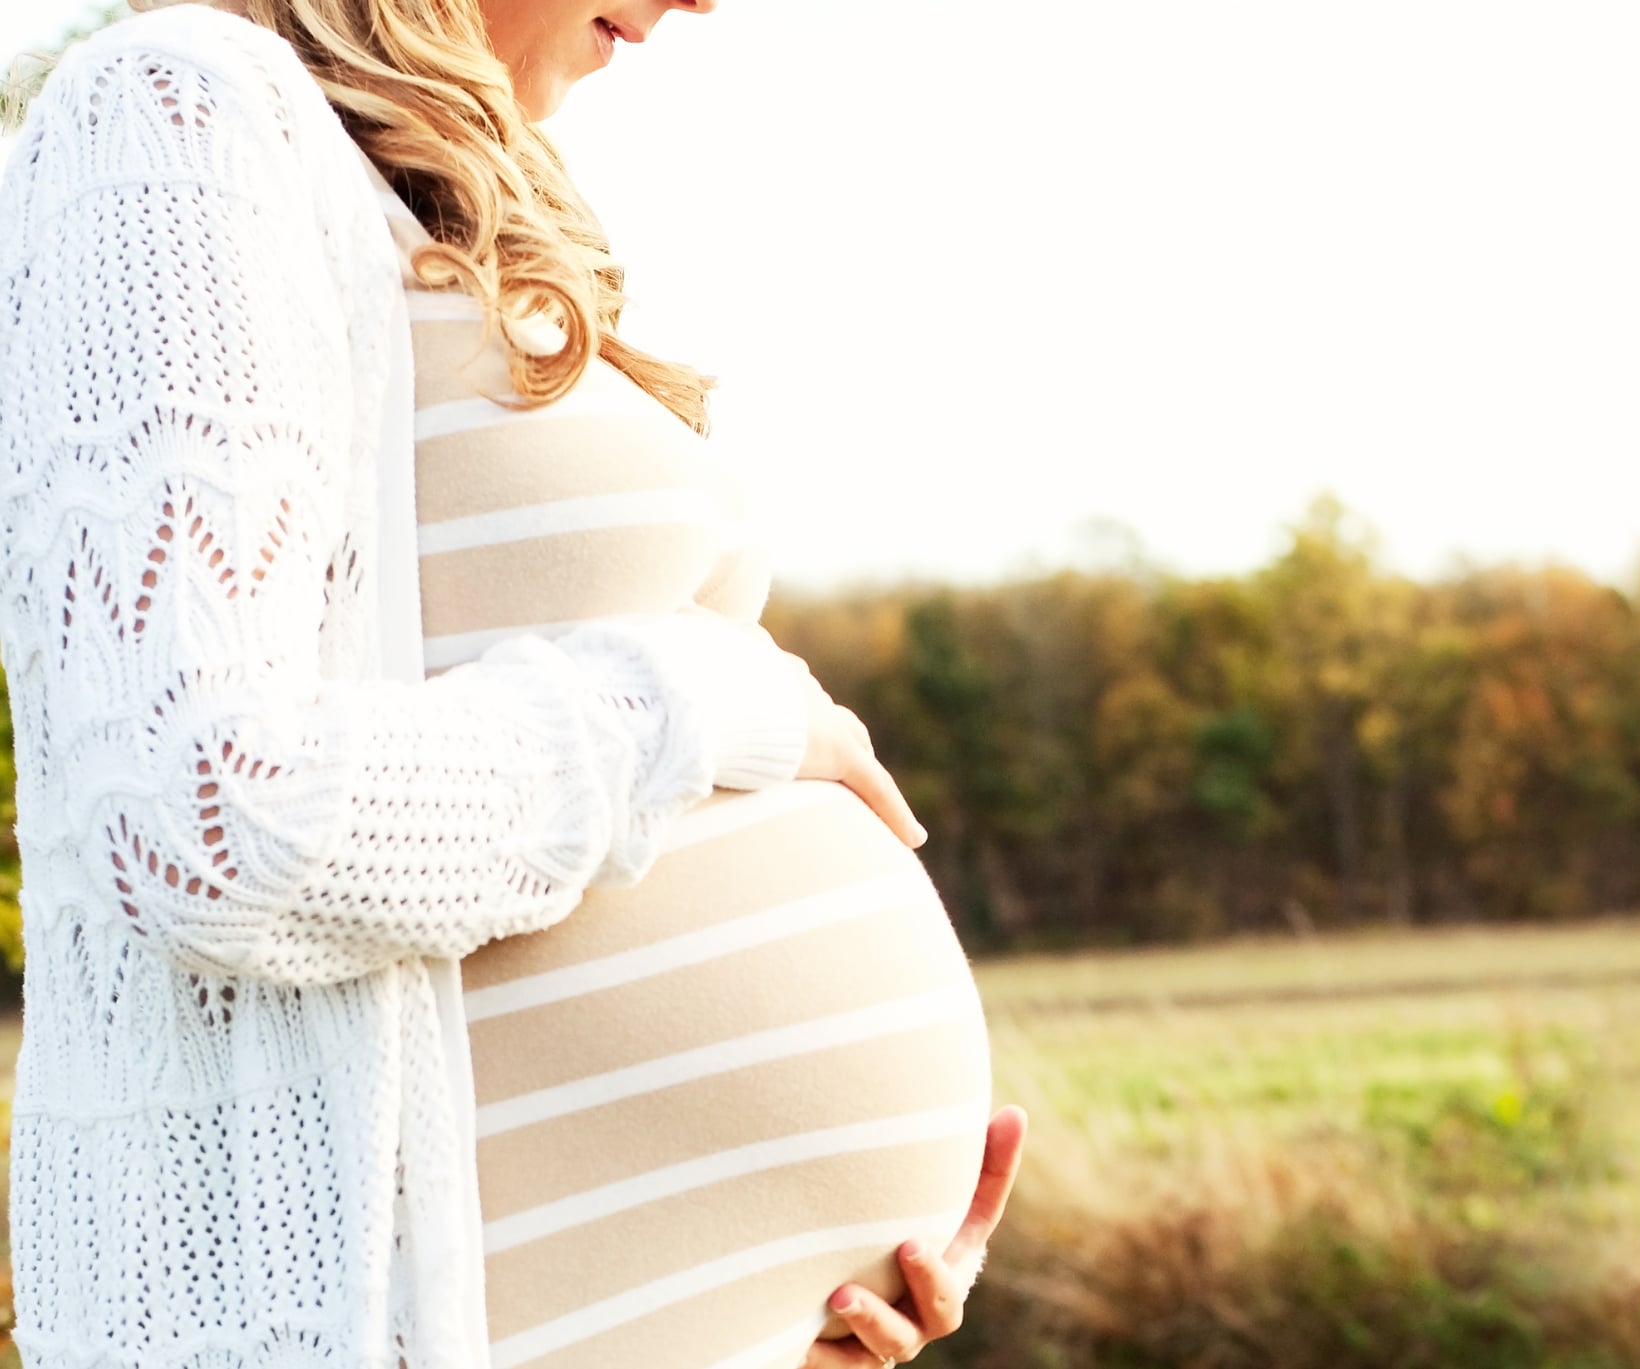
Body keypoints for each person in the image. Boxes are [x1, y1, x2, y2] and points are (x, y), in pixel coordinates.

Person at [0, 0, 1024, 1365]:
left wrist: (768, 1301)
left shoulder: (420, 200)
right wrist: (694, 706)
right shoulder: (163, 112)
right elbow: (208, 817)